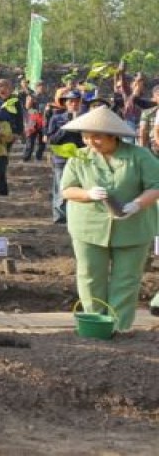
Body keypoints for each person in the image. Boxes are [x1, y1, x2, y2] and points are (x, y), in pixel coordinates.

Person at [57, 107, 159, 334]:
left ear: (113, 136)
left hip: (133, 227)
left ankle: (118, 327)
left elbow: (156, 185)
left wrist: (138, 204)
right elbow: (67, 190)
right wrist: (87, 194)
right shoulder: (80, 157)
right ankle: (94, 325)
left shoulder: (139, 156)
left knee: (126, 279)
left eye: (96, 137)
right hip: (88, 227)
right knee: (90, 276)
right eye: (86, 137)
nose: (90, 142)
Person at [47, 89, 86, 225]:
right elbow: (52, 139)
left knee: (79, 187)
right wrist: (67, 127)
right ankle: (60, 217)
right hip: (61, 159)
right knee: (61, 187)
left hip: (80, 159)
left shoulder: (86, 119)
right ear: (65, 103)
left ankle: (76, 217)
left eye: (77, 102)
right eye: (71, 102)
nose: (74, 104)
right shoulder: (56, 118)